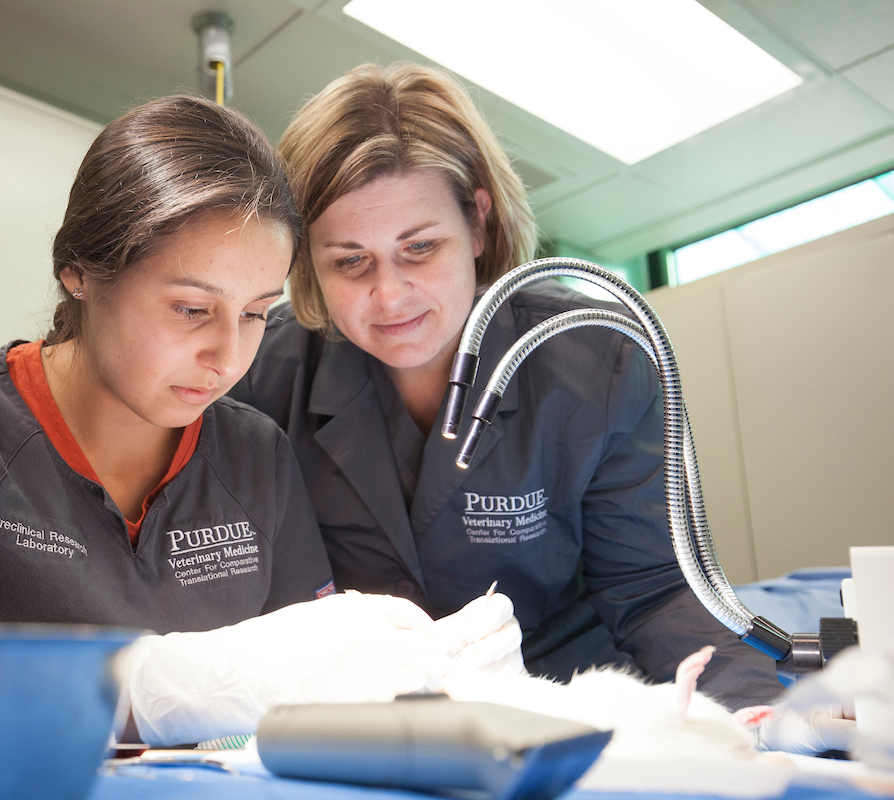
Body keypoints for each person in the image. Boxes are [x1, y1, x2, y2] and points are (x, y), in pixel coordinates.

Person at [0, 95, 499, 748]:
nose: (226, 356)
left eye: (254, 315)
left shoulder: (256, 455)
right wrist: (135, 686)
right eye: (190, 308)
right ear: (81, 269)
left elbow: (309, 694)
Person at [228, 63, 788, 711]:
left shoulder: (596, 358)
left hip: (560, 695)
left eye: (419, 248)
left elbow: (655, 589)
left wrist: (755, 711)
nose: (388, 295)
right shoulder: (263, 370)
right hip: (362, 709)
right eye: (349, 261)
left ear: (479, 223)